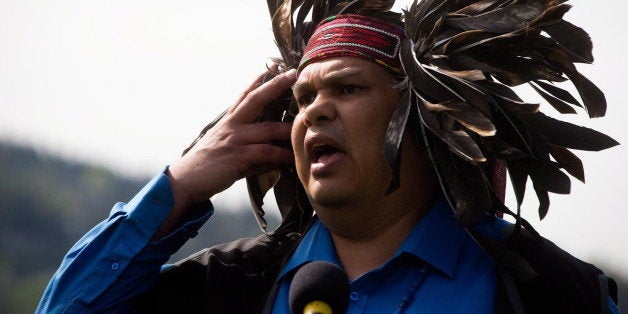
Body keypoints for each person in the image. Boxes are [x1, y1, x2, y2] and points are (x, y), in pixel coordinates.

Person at [38, 1, 620, 313]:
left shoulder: (547, 291)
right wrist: (180, 185)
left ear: (426, 116)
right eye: (301, 99)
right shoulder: (223, 287)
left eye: (347, 89)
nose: (314, 113)